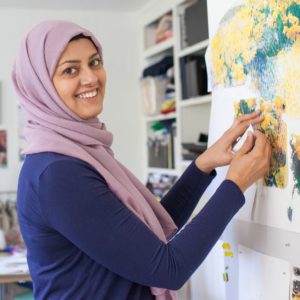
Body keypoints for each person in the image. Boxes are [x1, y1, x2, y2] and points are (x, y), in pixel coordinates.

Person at [12, 20, 271, 300]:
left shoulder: (77, 151)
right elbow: (168, 268)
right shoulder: (58, 173)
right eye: (70, 70)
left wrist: (202, 166)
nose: (91, 78)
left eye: (95, 62)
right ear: (40, 86)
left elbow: (146, 235)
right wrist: (234, 185)